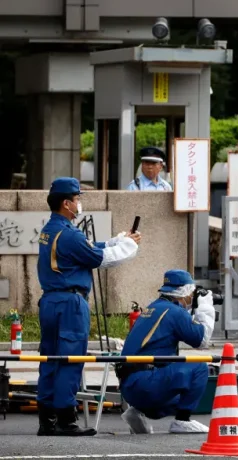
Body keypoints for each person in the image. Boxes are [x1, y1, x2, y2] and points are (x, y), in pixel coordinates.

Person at [37, 177, 141, 436]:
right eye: (77, 199)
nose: (79, 203)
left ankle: (47, 421)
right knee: (71, 360)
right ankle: (66, 421)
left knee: (50, 359)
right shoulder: (69, 234)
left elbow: (88, 248)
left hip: (50, 301)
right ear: (66, 203)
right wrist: (129, 246)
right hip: (70, 303)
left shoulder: (51, 229)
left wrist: (117, 240)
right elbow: (97, 258)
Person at [117, 269, 214, 434]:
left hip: (129, 387)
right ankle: (182, 421)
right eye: (192, 293)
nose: (192, 298)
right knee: (199, 367)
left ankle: (137, 412)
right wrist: (204, 306)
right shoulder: (175, 312)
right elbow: (201, 340)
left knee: (180, 397)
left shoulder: (154, 308)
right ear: (184, 292)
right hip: (147, 383)